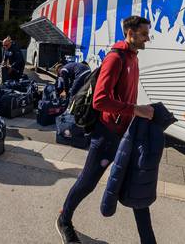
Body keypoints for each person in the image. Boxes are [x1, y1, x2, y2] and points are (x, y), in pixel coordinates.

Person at [56, 15, 157, 244]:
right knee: (87, 182)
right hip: (107, 135)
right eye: (144, 33)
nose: (147, 38)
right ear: (130, 33)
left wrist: (139, 113)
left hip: (126, 134)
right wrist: (136, 109)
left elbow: (126, 95)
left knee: (138, 187)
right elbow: (99, 101)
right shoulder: (116, 58)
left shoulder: (133, 58)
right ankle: (64, 219)